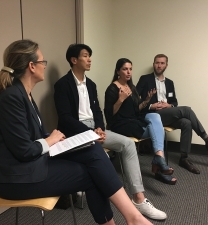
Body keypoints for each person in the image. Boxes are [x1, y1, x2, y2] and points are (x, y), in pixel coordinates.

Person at [0, 39, 153, 225]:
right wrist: (51, 139)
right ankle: (133, 218)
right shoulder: (11, 98)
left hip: (28, 164)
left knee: (92, 149)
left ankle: (133, 217)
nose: (44, 66)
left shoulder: (24, 93)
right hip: (12, 178)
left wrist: (54, 139)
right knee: (92, 174)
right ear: (31, 66)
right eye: (42, 62)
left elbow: (30, 137)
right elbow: (24, 150)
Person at [54, 44, 167, 221]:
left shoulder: (91, 84)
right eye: (85, 56)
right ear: (73, 60)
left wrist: (99, 128)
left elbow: (98, 111)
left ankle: (139, 199)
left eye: (90, 56)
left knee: (128, 144)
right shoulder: (62, 85)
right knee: (101, 158)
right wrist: (90, 132)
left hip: (96, 130)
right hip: (76, 132)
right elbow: (65, 118)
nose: (89, 59)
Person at [136, 54, 208, 174]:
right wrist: (152, 105)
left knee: (186, 123)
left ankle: (184, 158)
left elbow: (174, 102)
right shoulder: (145, 79)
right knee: (187, 110)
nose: (159, 65)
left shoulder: (169, 83)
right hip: (153, 115)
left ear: (166, 65)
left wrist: (169, 106)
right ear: (153, 64)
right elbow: (136, 100)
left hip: (167, 114)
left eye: (162, 63)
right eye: (157, 62)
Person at [104, 58, 176, 185]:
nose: (128, 72)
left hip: (134, 120)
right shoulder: (112, 88)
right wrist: (120, 99)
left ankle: (159, 158)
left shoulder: (131, 87)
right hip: (120, 124)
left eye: (130, 69)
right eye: (125, 69)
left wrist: (147, 100)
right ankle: (159, 163)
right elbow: (109, 116)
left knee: (155, 117)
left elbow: (137, 109)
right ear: (117, 71)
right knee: (159, 132)